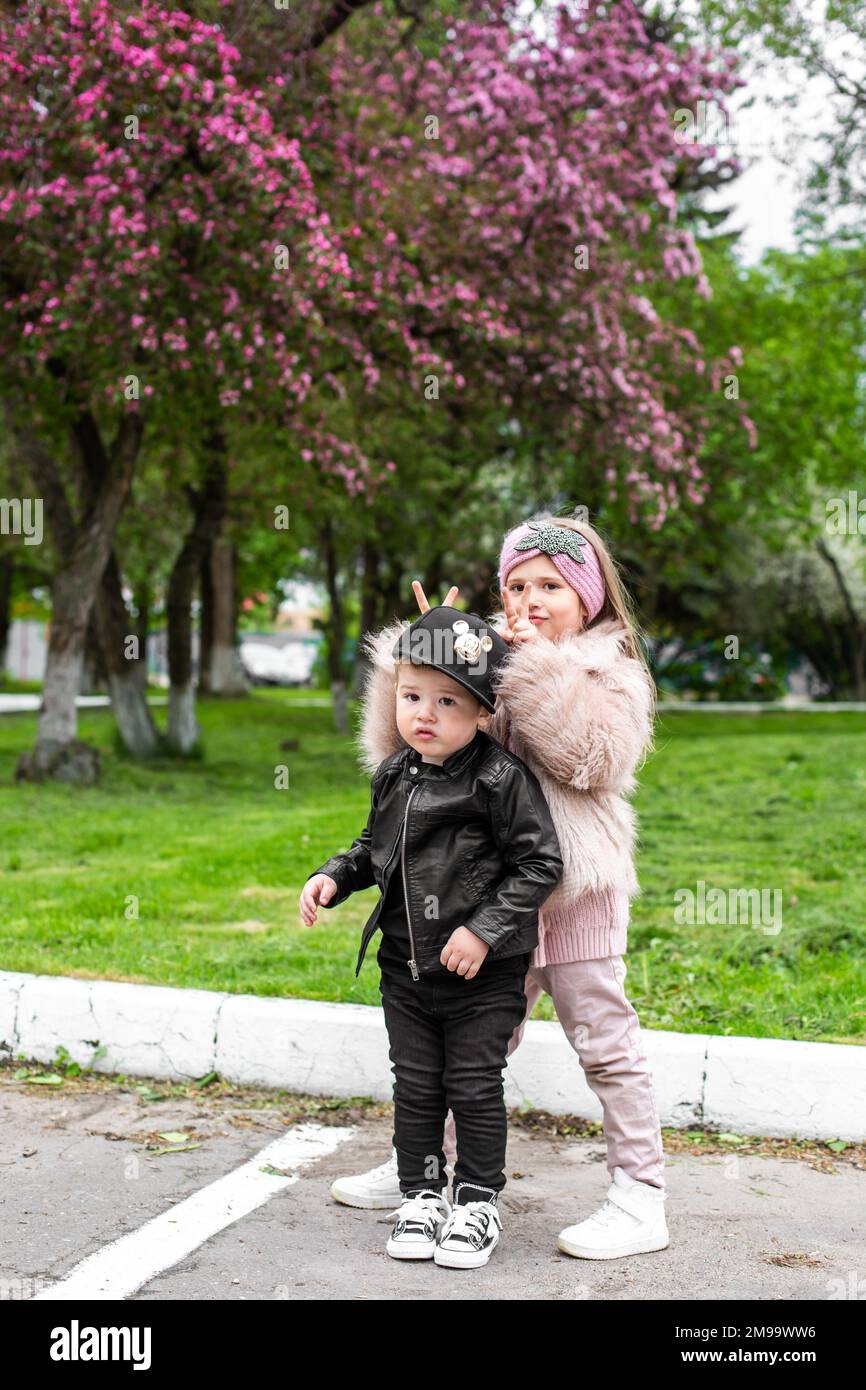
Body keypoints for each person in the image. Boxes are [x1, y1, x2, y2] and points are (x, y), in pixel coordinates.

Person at [330, 513, 670, 1261]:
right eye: (516, 584)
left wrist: (532, 669)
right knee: (467, 1046)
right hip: (480, 906)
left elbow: (591, 761)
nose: (532, 598)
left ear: (590, 597)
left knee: (605, 1045)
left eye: (551, 585)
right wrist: (417, 662)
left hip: (574, 895)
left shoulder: (606, 670)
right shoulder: (481, 656)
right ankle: (425, 1169)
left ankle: (640, 1195)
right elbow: (401, 752)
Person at [299, 605, 563, 1269]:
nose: (424, 713)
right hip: (406, 969)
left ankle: (475, 1203)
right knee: (415, 1086)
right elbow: (373, 845)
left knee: (471, 1085)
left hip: (483, 973)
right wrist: (335, 875)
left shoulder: (500, 779)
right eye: (412, 696)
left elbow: (540, 865)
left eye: (447, 701)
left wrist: (483, 930)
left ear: (481, 712)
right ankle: (420, 1196)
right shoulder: (394, 773)